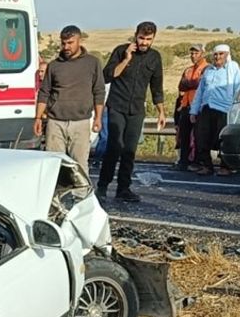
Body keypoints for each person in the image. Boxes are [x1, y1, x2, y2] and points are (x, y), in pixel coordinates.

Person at [99, 21, 167, 202]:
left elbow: (156, 86)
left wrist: (161, 111)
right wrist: (127, 59)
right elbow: (108, 75)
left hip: (137, 109)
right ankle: (102, 187)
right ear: (135, 35)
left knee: (129, 150)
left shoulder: (155, 57)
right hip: (117, 106)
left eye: (148, 39)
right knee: (114, 147)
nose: (144, 42)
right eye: (141, 38)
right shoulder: (121, 50)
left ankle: (123, 189)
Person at [34, 25, 104, 173]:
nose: (66, 46)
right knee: (53, 164)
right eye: (63, 43)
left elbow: (99, 91)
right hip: (55, 122)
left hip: (80, 122)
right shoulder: (54, 66)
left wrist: (98, 118)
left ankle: (81, 195)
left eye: (70, 43)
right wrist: (38, 118)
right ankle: (54, 194)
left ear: (80, 41)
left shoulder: (92, 63)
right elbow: (44, 92)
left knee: (79, 165)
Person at [189, 44, 240, 176]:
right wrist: (193, 111)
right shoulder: (209, 71)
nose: (218, 57)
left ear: (227, 55)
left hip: (224, 108)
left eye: (221, 54)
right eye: (216, 54)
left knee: (223, 138)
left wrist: (236, 109)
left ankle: (225, 166)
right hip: (207, 107)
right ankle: (206, 165)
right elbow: (200, 92)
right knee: (201, 137)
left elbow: (238, 87)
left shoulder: (232, 68)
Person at [174, 44, 208, 170]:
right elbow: (181, 86)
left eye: (196, 53)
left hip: (198, 106)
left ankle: (197, 161)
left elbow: (200, 84)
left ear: (202, 54)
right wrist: (190, 84)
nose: (193, 56)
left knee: (199, 136)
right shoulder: (188, 70)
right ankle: (184, 161)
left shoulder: (207, 68)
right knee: (184, 135)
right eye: (192, 53)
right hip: (186, 105)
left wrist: (189, 84)